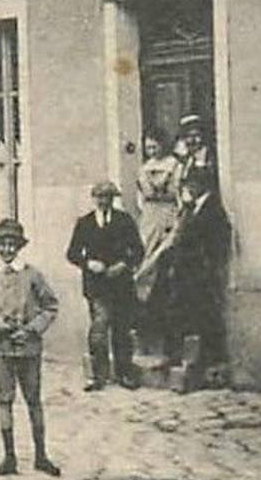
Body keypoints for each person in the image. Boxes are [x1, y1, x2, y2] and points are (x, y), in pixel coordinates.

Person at [0, 219, 60, 477]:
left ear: (19, 246)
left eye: (12, 244)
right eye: (2, 244)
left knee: (33, 400)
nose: (7, 249)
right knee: (4, 400)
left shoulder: (32, 275)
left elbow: (51, 306)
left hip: (29, 348)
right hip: (1, 348)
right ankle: (9, 457)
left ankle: (41, 455)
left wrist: (32, 328)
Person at [148, 165, 232, 390]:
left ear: (200, 184)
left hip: (200, 274)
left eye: (190, 184)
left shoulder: (212, 209)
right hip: (184, 271)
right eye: (187, 185)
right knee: (176, 312)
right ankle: (175, 358)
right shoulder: (190, 207)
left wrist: (209, 266)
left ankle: (204, 365)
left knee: (202, 319)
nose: (188, 189)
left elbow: (220, 240)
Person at [65, 181, 144, 391]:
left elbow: (138, 250)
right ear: (94, 198)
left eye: (107, 196)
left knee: (121, 330)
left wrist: (124, 264)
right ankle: (98, 376)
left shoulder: (124, 221)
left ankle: (124, 373)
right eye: (99, 197)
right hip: (96, 286)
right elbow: (72, 253)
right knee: (99, 329)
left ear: (113, 199)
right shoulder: (84, 223)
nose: (103, 201)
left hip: (121, 285)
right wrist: (88, 263)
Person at [135, 131, 181, 264]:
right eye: (148, 148)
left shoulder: (174, 164)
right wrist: (144, 208)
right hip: (150, 212)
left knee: (167, 245)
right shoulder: (145, 167)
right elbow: (140, 193)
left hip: (168, 210)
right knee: (146, 245)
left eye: (154, 147)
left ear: (162, 145)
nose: (152, 151)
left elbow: (177, 189)